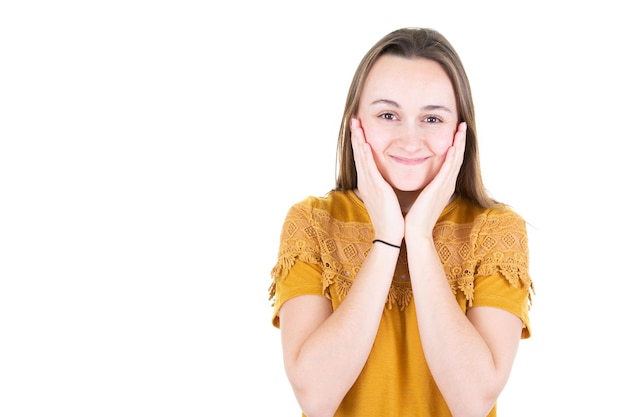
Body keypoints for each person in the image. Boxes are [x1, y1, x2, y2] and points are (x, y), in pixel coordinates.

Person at [267, 27, 534, 417]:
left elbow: (473, 400)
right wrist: (388, 237)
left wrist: (421, 237)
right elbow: (315, 396)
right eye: (388, 115)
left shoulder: (495, 229)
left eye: (432, 118)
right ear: (356, 123)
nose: (410, 140)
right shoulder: (312, 223)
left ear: (460, 130)